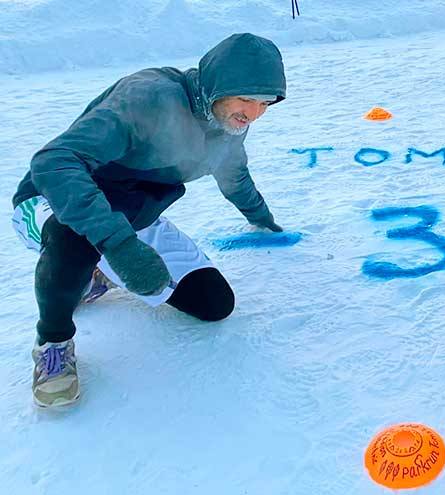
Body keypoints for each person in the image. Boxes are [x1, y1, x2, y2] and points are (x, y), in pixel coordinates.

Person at [12, 32, 287, 408]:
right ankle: (53, 342)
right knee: (73, 236)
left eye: (264, 104)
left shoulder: (228, 124)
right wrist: (122, 247)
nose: (254, 114)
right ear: (218, 85)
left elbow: (235, 177)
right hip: (54, 201)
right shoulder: (149, 98)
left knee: (214, 303)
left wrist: (263, 218)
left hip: (133, 215)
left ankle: (96, 276)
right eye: (246, 100)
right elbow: (54, 161)